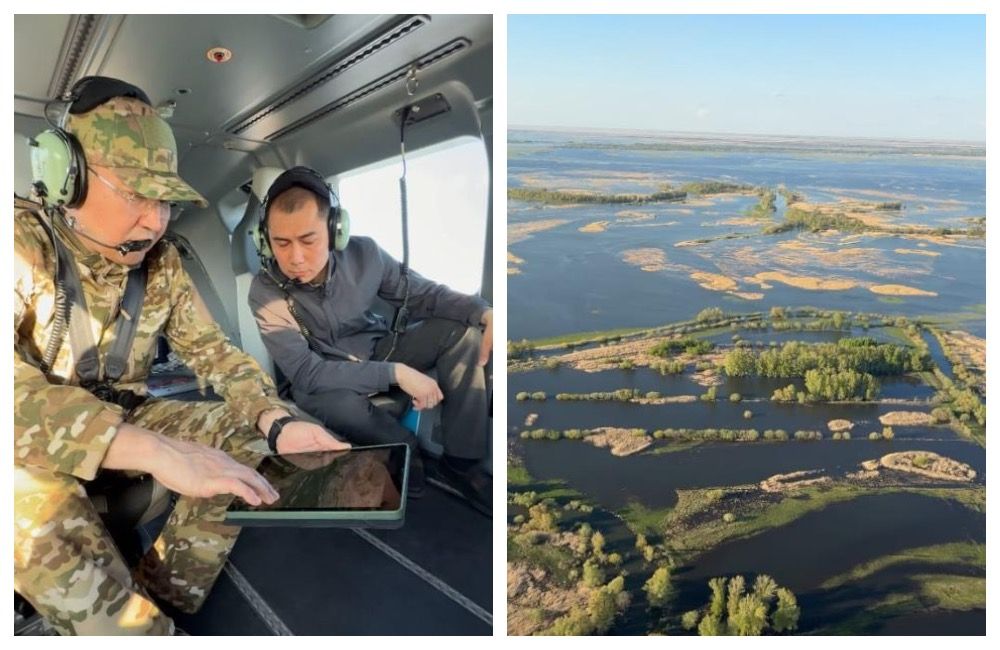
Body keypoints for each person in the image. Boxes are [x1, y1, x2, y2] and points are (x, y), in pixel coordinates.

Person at [14, 77, 347, 636]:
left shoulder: (161, 262)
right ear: (65, 178)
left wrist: (276, 420)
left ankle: (163, 593)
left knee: (247, 438)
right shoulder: (20, 242)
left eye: (163, 197)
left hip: (131, 413)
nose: (156, 219)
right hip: (33, 444)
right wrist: (148, 449)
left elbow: (214, 354)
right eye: (136, 194)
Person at [248, 166, 493, 515]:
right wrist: (394, 373)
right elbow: (305, 372)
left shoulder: (366, 255)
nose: (295, 257)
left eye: (309, 240)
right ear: (265, 239)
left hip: (378, 348)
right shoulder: (265, 291)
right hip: (325, 378)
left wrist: (484, 311)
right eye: (281, 243)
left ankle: (462, 461)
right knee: (342, 406)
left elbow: (426, 296)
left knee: (465, 334)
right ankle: (403, 448)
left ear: (335, 231)